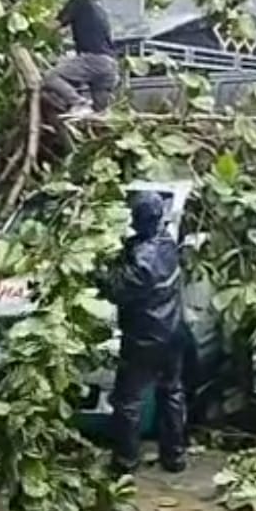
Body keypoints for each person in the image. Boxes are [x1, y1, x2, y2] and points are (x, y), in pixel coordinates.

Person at [98, 190, 187, 475]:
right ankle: (174, 457)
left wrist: (96, 269)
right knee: (171, 392)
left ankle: (125, 462)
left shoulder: (141, 262)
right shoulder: (167, 243)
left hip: (145, 336)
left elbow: (115, 290)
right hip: (173, 331)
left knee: (128, 400)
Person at [42, 0, 119, 114]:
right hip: (110, 65)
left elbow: (53, 26)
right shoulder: (100, 10)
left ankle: (79, 102)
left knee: (51, 77)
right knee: (100, 114)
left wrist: (33, 29)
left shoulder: (79, 1)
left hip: (92, 59)